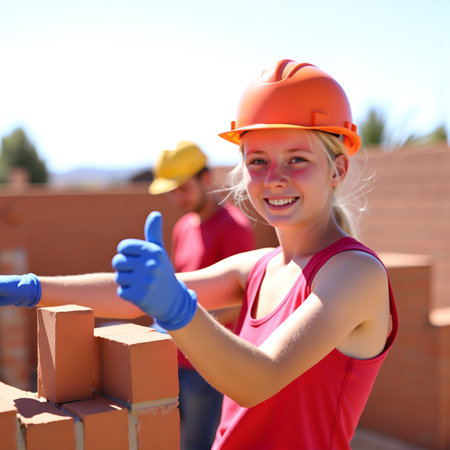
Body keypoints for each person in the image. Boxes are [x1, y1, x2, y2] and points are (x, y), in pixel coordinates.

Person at [0, 59, 398, 449]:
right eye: (258, 161)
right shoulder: (257, 267)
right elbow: (125, 294)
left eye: (297, 159)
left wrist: (178, 311)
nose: (274, 178)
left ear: (338, 170)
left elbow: (258, 381)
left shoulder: (355, 272)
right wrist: (33, 289)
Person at [148, 140, 255, 450]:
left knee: (198, 442)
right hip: (176, 356)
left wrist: (181, 323)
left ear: (205, 179)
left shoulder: (233, 228)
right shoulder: (183, 227)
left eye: (183, 188)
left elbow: (241, 304)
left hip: (208, 362)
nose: (177, 198)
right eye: (172, 191)